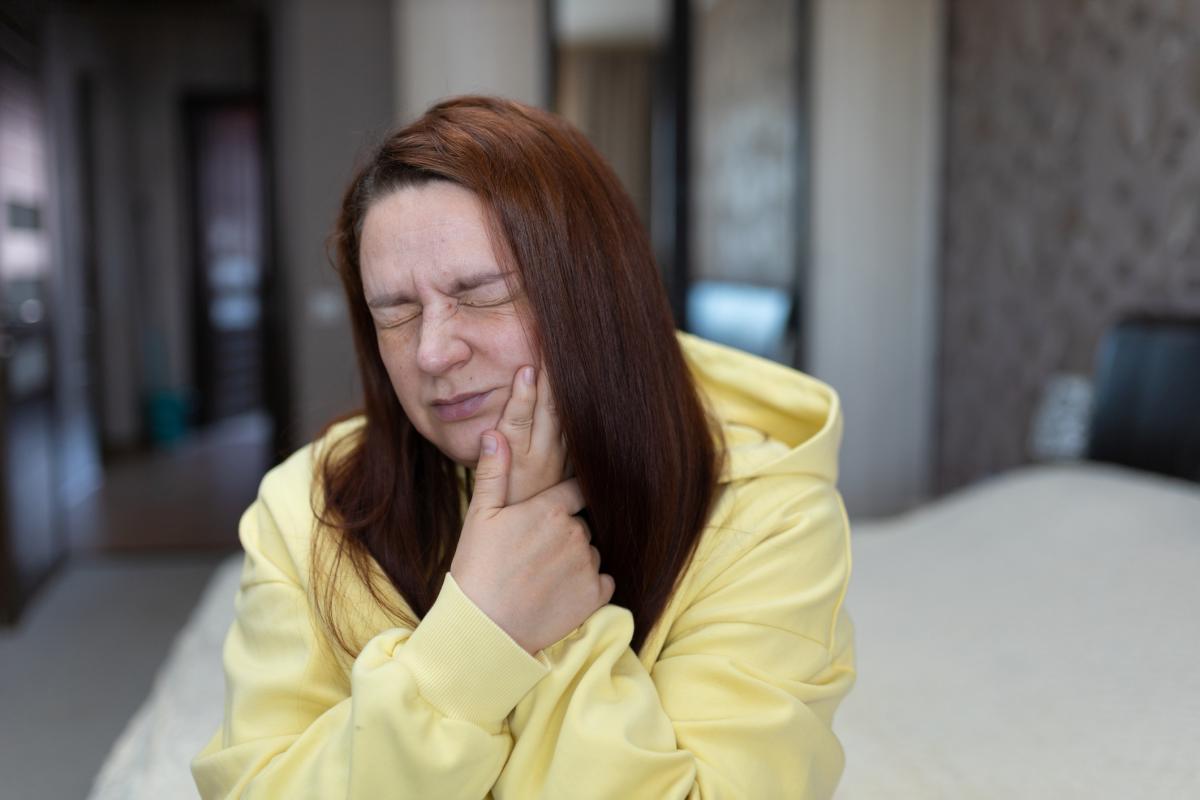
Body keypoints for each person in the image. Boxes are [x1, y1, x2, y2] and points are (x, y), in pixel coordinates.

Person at [191, 95, 855, 799]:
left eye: (482, 295)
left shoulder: (772, 520)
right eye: (397, 312)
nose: (435, 352)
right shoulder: (305, 509)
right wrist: (478, 635)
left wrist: (543, 605)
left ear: (595, 297)